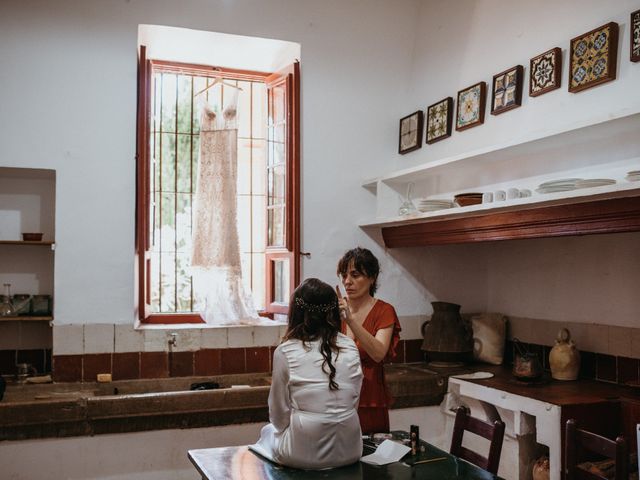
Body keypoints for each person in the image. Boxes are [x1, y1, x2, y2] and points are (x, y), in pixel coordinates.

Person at [250, 278, 363, 469]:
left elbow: (278, 413)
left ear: (296, 313)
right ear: (333, 312)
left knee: (268, 432)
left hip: (304, 451)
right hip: (351, 447)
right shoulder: (350, 346)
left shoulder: (286, 351)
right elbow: (354, 399)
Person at [336, 247, 401, 434]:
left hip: (370, 395)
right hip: (338, 396)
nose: (347, 282)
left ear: (372, 278)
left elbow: (378, 353)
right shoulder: (335, 310)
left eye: (355, 275)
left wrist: (350, 320)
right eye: (344, 275)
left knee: (373, 454)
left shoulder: (384, 311)